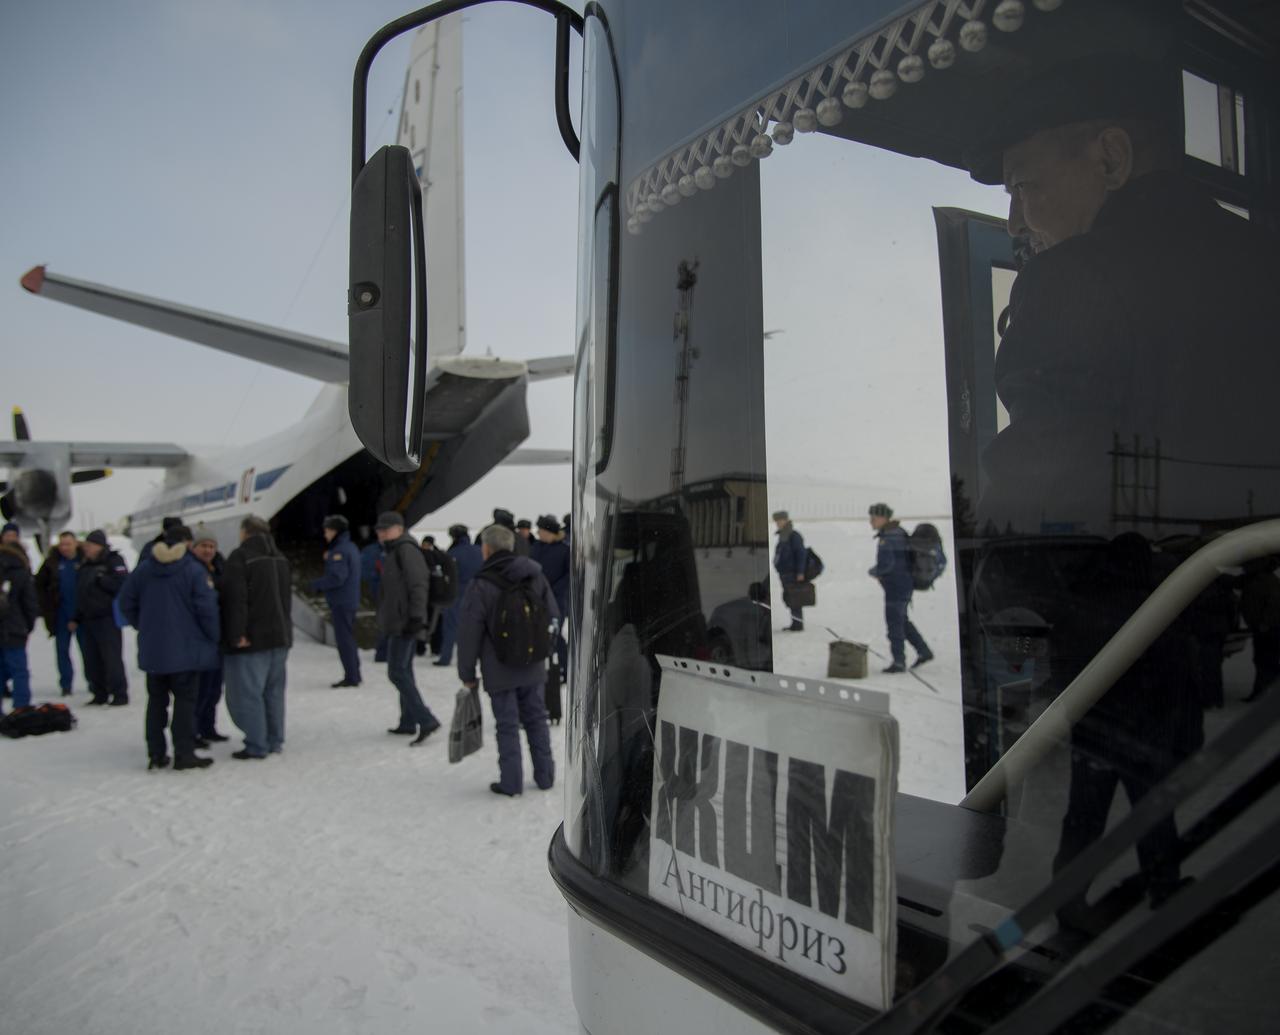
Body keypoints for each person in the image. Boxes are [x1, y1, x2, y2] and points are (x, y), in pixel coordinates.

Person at [959, 56, 1280, 919]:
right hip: (1220, 638)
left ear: (1110, 157)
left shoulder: (1074, 280)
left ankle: (1080, 908)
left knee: (1094, 795)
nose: (1016, 215)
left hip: (1114, 643)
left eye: (1026, 186)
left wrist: (995, 589)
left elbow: (1034, 520)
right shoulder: (1262, 259)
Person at [457, 522, 558, 796]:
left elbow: (469, 631)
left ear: (486, 549)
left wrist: (466, 673)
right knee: (537, 718)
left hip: (498, 666)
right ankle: (546, 776)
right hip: (533, 661)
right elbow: (552, 613)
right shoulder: (535, 575)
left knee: (507, 724)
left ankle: (511, 782)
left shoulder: (480, 583)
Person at [118, 524, 219, 770]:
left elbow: (125, 602)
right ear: (185, 543)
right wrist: (213, 636)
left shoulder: (144, 569)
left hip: (154, 651)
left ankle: (156, 753)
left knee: (156, 703)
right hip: (186, 651)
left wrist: (143, 625)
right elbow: (206, 610)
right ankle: (184, 754)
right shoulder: (192, 571)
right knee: (185, 704)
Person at [221, 515, 292, 760]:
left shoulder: (241, 557)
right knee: (273, 693)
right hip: (280, 638)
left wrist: (237, 634)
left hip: (252, 640)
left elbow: (236, 600)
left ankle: (256, 744)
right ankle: (274, 740)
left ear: (244, 532)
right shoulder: (280, 558)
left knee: (247, 694)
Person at [375, 511, 441, 745]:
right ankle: (407, 721)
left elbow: (418, 585)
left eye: (386, 529)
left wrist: (415, 618)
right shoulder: (394, 551)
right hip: (399, 621)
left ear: (399, 528)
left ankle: (426, 719)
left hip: (406, 623)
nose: (381, 533)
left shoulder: (406, 550)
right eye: (379, 530)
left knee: (397, 672)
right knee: (405, 670)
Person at [867, 503, 932, 673]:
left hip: (896, 586)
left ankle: (898, 662)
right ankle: (924, 651)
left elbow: (886, 564)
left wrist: (873, 571)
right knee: (902, 620)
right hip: (905, 584)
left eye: (873, 518)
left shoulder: (888, 537)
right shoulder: (899, 532)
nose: (871, 521)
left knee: (894, 623)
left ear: (883, 518)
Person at [72, 529, 130, 706]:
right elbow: (80, 593)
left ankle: (119, 693)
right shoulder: (85, 565)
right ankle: (99, 692)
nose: (87, 549)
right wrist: (77, 616)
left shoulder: (113, 561)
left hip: (107, 618)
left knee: (111, 657)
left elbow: (123, 585)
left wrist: (101, 579)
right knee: (91, 659)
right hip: (88, 618)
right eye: (86, 545)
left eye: (90, 545)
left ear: (100, 546)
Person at [311, 515, 362, 688]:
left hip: (341, 601)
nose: (325, 534)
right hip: (349, 599)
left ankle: (351, 676)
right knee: (348, 637)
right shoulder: (350, 547)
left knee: (344, 640)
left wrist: (316, 584)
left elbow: (337, 577)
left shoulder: (339, 551)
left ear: (335, 531)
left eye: (327, 530)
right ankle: (355, 673)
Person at [190, 528, 229, 742]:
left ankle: (208, 727)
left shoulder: (218, 568)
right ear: (194, 547)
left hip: (217, 638)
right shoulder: (192, 570)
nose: (208, 550)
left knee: (214, 688)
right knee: (200, 689)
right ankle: (193, 729)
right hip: (199, 639)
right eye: (203, 546)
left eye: (211, 546)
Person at [35, 531, 84, 697]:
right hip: (61, 614)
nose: (65, 548)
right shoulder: (52, 562)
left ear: (75, 543)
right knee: (62, 651)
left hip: (83, 615)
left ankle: (95, 682)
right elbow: (39, 585)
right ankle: (66, 684)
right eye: (62, 544)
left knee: (87, 651)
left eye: (68, 544)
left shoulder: (84, 560)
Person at [0, 529, 39, 714]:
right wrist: (28, 626)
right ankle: (21, 708)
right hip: (15, 628)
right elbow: (30, 604)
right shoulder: (22, 573)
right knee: (19, 671)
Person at [436, 524, 483, 667]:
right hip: (479, 592)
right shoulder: (480, 550)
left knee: (451, 626)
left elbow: (446, 576)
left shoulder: (452, 554)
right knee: (478, 626)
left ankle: (445, 658)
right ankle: (479, 657)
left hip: (457, 593)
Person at [530, 514, 570, 678]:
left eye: (541, 531)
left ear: (549, 532)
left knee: (555, 634)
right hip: (535, 599)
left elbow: (569, 576)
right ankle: (540, 668)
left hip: (556, 600)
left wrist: (551, 590)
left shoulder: (565, 549)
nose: (538, 533)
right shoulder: (536, 547)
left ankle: (564, 668)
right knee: (536, 633)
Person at [771, 510, 807, 632]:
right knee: (789, 598)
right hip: (785, 573)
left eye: (780, 521)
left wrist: (800, 572)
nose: (778, 524)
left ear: (786, 520)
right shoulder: (783, 536)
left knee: (795, 598)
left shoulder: (793, 536)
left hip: (793, 573)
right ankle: (795, 623)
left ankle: (798, 624)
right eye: (776, 521)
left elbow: (801, 554)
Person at [360, 535, 388, 663]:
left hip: (390, 592)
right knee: (383, 621)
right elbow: (364, 571)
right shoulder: (371, 551)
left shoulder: (396, 549)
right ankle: (382, 653)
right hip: (380, 591)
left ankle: (386, 652)